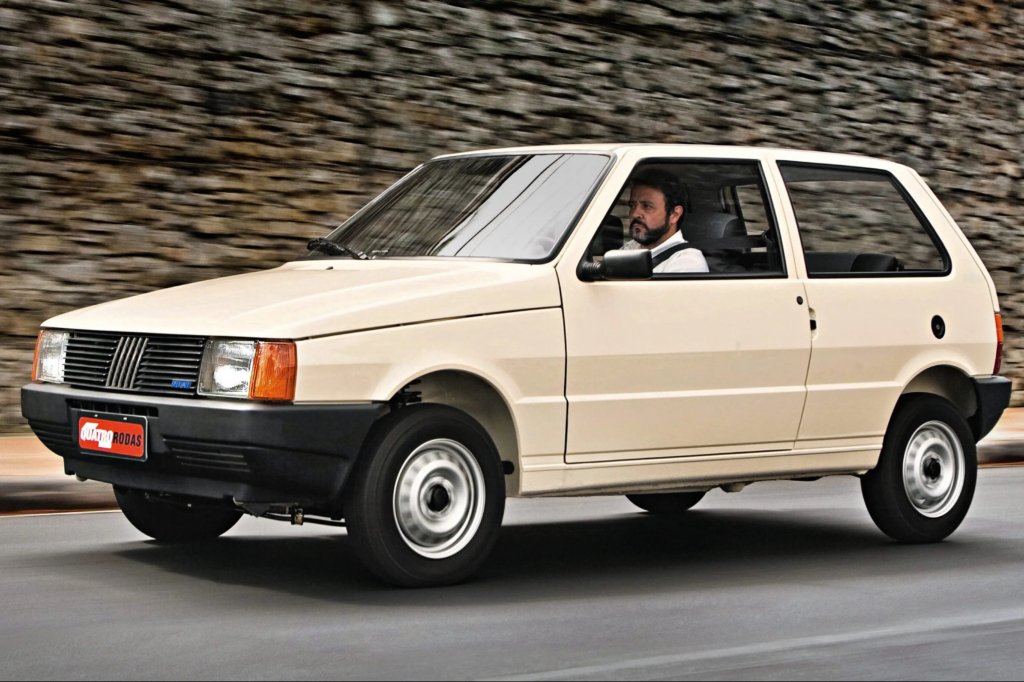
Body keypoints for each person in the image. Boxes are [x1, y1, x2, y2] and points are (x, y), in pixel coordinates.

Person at [617, 169, 708, 274]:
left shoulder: (687, 262)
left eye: (647, 206)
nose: (635, 214)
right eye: (632, 205)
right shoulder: (631, 247)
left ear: (674, 214)